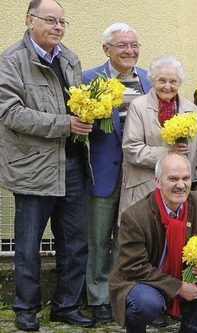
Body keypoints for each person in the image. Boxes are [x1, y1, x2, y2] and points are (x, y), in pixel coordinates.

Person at [0, 0, 96, 330]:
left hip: (72, 164)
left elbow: (77, 103)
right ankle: (26, 310)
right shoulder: (11, 61)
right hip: (33, 168)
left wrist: (88, 118)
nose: (58, 27)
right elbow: (10, 113)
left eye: (62, 22)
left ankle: (66, 306)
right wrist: (64, 124)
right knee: (28, 246)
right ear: (29, 20)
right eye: (50, 20)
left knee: (75, 242)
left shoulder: (69, 58)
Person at [108, 153, 197, 333]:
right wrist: (178, 287)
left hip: (181, 270)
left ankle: (193, 328)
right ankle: (135, 328)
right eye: (173, 179)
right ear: (158, 182)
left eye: (186, 178)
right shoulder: (134, 217)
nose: (181, 185)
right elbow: (134, 267)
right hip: (140, 279)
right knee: (147, 304)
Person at [81, 22, 152, 323]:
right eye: (122, 45)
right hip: (103, 171)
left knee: (130, 238)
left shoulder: (150, 80)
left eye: (133, 44)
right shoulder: (88, 79)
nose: (129, 50)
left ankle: (124, 294)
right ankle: (98, 296)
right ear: (106, 49)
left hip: (139, 173)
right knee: (98, 238)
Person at [120, 55, 197, 214]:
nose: (167, 86)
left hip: (181, 193)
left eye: (173, 81)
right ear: (152, 81)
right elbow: (131, 149)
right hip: (145, 188)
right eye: (162, 81)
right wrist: (168, 153)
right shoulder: (138, 107)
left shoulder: (191, 110)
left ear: (180, 83)